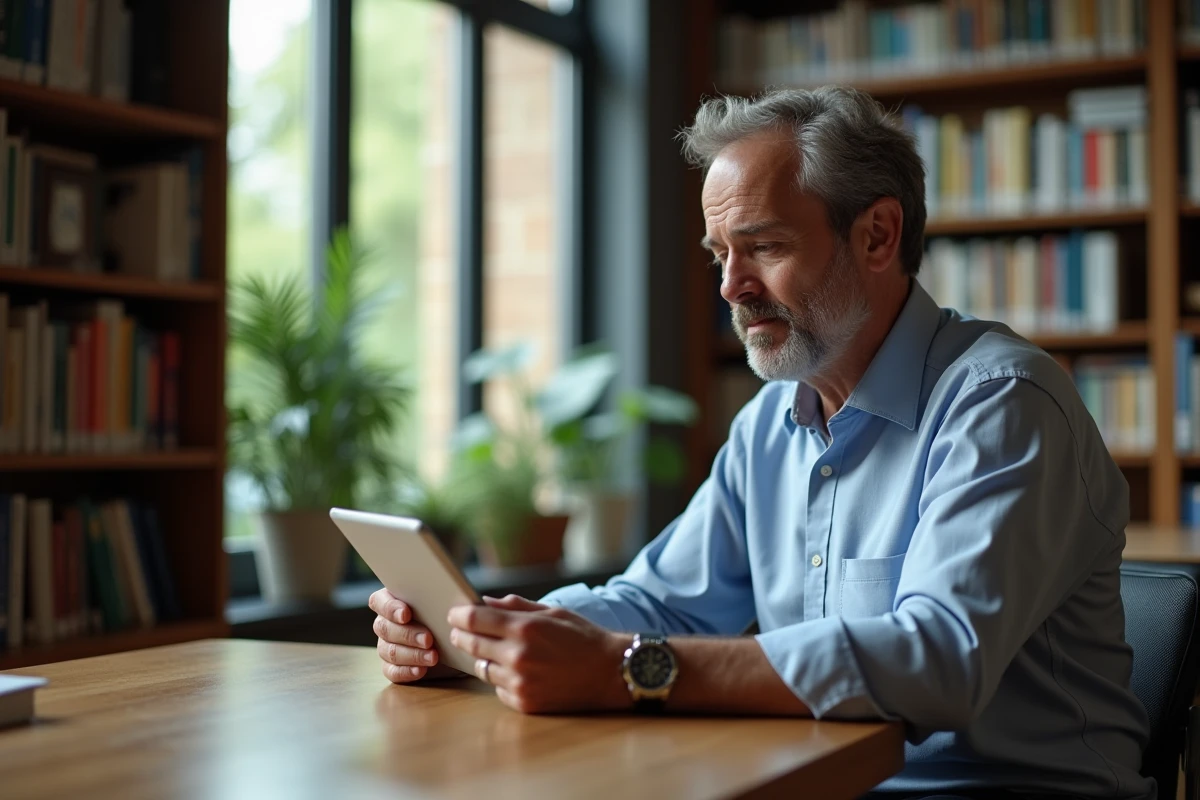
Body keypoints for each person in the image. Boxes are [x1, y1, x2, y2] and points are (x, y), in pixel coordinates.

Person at [368, 87, 1153, 800]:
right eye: (720, 254)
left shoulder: (1003, 402)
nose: (729, 287)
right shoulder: (771, 422)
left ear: (877, 235)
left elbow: (937, 661)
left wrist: (624, 669)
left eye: (764, 247)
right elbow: (661, 600)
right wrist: (485, 628)